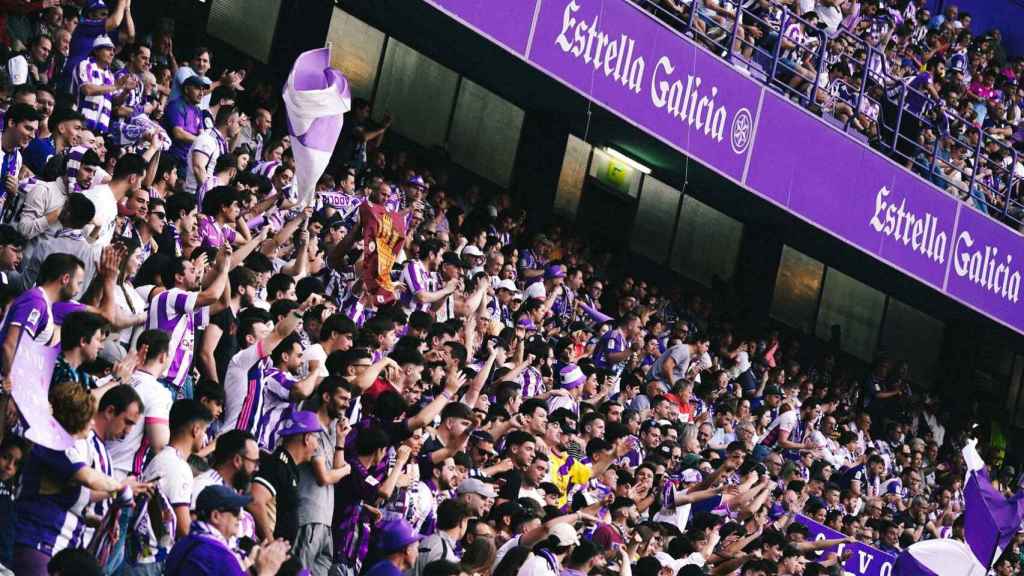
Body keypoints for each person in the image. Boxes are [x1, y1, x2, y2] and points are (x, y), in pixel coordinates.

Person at [129, 399, 212, 574]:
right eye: (204, 430)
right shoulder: (178, 468)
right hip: (151, 561)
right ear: (195, 430)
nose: (205, 437)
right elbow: (183, 528)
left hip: (141, 555)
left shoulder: (161, 459)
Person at [164, 485, 290, 576]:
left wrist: (252, 566)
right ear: (215, 516)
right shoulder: (217, 555)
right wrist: (267, 570)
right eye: (235, 511)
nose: (240, 517)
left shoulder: (186, 542)